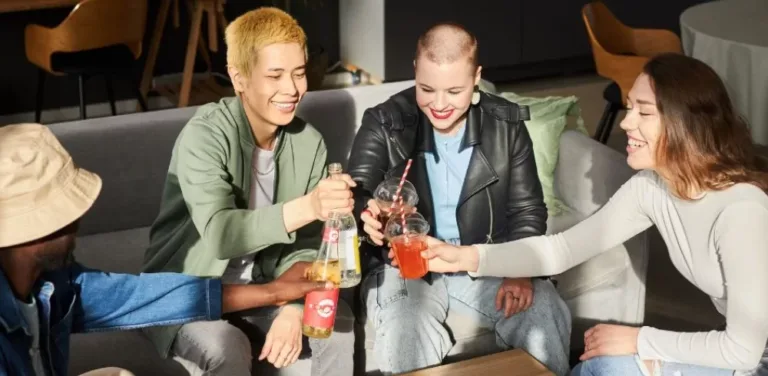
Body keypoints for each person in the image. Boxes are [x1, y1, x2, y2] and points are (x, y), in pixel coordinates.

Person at [420, 53, 768, 376]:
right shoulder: (652, 188)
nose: (627, 123)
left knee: (607, 366)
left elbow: (743, 351)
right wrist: (463, 257)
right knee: (599, 365)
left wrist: (638, 339)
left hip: (754, 359)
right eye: (630, 107)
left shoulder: (742, 212)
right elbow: (561, 250)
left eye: (644, 112)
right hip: (743, 352)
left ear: (686, 124)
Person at [0, 123, 333, 376]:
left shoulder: (59, 284)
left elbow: (152, 297)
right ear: (37, 231)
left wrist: (274, 294)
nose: (78, 227)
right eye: (68, 218)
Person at [140, 7, 355, 376]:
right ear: (239, 78)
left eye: (299, 73)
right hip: (191, 291)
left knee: (336, 326)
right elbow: (222, 234)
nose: (291, 89)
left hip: (266, 286)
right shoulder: (205, 135)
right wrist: (310, 205)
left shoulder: (308, 143)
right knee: (227, 346)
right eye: (275, 76)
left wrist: (292, 308)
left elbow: (307, 246)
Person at [347, 22, 571, 375]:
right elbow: (357, 194)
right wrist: (368, 215)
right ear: (415, 70)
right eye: (426, 88)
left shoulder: (506, 126)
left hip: (481, 260)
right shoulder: (384, 122)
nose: (439, 105)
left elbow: (527, 210)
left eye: (454, 91)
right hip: (403, 266)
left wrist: (519, 269)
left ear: (476, 77)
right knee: (407, 331)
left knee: (544, 308)